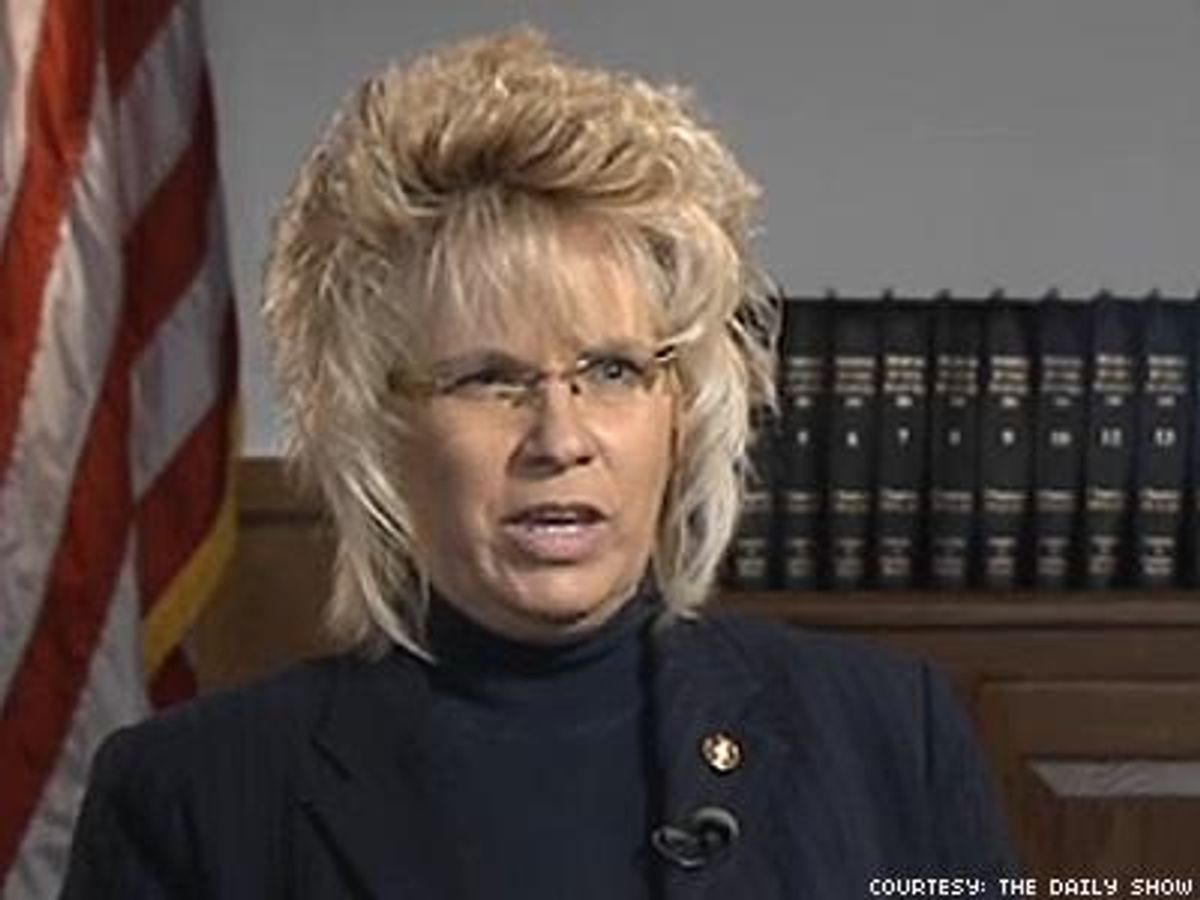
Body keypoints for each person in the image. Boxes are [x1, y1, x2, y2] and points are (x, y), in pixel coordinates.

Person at [62, 28, 1017, 899]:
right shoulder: (189, 797)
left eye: (613, 370)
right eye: (488, 378)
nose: (561, 437)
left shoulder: (893, 736)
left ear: (682, 409)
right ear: (381, 427)